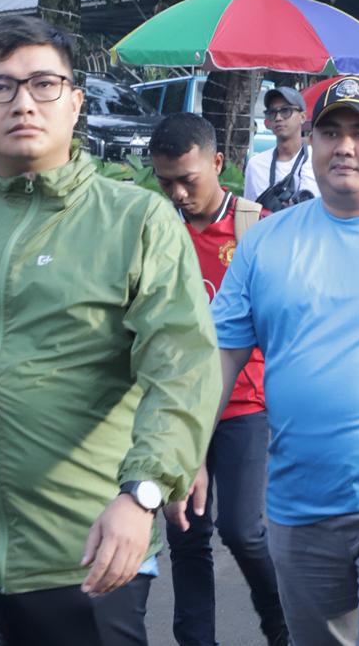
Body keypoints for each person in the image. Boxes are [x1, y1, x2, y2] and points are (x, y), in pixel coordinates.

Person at [0, 15, 221, 645]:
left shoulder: (137, 221)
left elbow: (180, 368)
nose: (24, 103)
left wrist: (142, 494)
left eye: (44, 84)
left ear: (76, 101)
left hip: (88, 555)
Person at [193, 76, 359, 646]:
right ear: (311, 141)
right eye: (331, 132)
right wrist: (187, 451)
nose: (344, 146)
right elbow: (221, 356)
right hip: (299, 497)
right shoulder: (265, 242)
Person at [148, 112, 289, 646]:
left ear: (218, 162)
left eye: (188, 179)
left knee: (242, 529)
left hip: (243, 404)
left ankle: (283, 625)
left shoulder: (260, 227)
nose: (178, 194)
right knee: (185, 534)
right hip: (175, 406)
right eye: (166, 183)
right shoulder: (156, 231)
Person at [243, 86, 318, 206]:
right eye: (272, 113)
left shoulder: (319, 161)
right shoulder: (255, 165)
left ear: (303, 117)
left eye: (285, 111)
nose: (278, 118)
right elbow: (248, 213)